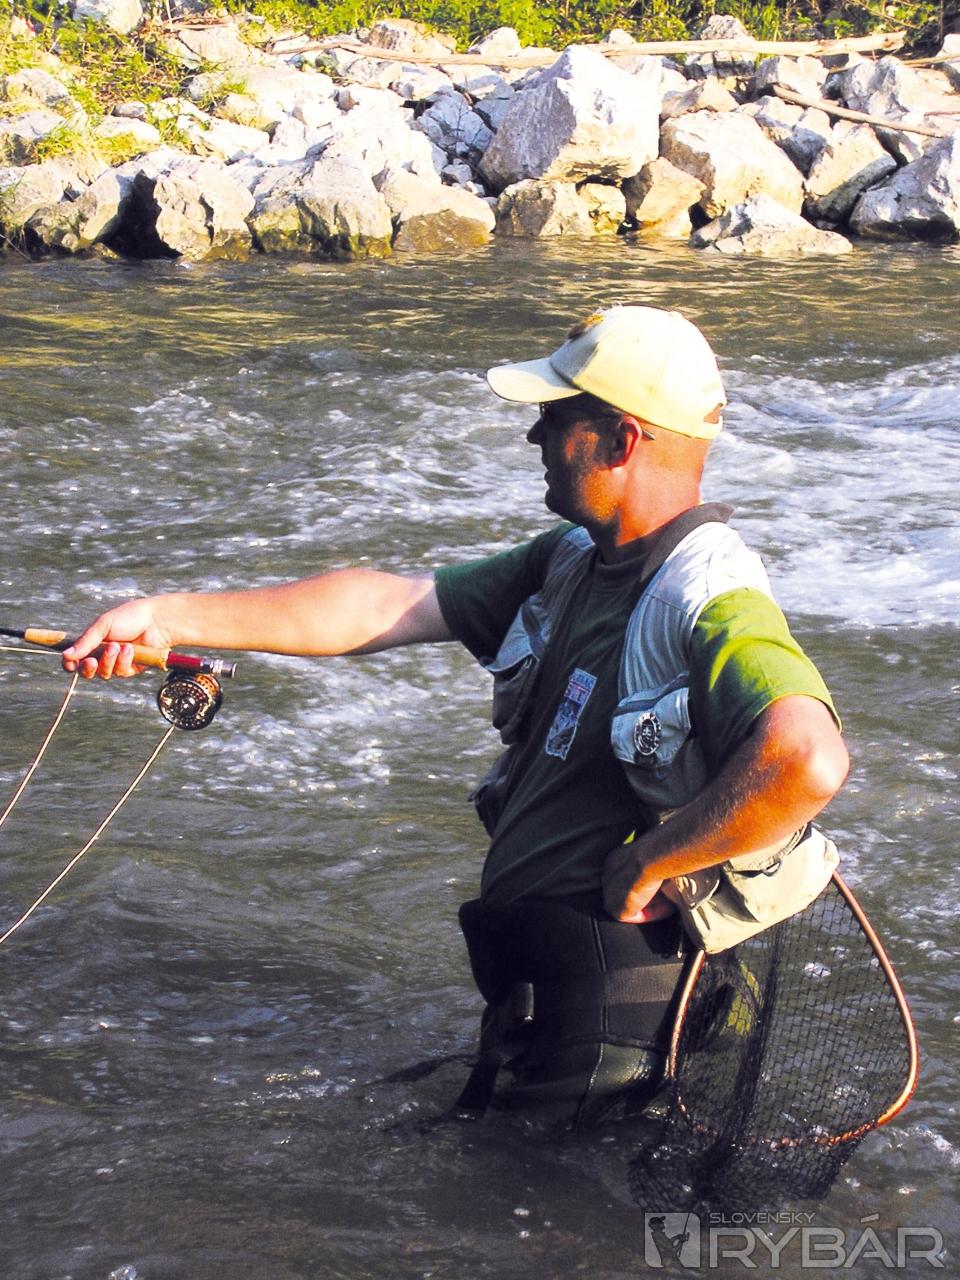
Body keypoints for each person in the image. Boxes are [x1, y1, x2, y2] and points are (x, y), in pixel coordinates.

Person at [63, 305, 849, 1124]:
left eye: (555, 418)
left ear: (621, 441)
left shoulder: (712, 597)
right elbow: (386, 605)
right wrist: (165, 618)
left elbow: (808, 758)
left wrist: (654, 859)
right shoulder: (576, 558)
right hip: (555, 995)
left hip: (621, 1015)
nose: (534, 436)